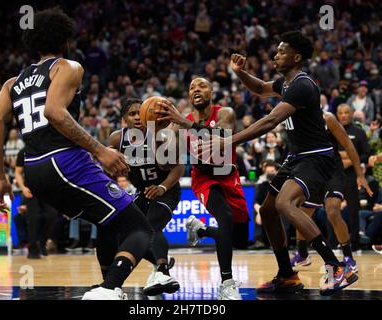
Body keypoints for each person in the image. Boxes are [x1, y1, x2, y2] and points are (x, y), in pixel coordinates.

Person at [0, 8, 152, 300]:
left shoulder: (12, 83)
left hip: (35, 169)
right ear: (64, 39)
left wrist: (0, 178)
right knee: (139, 227)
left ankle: (114, 284)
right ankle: (110, 289)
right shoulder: (67, 67)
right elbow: (54, 112)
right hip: (64, 160)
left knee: (109, 220)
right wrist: (100, 150)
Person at [197, 31, 358, 295]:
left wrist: (228, 141)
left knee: (284, 203)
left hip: (316, 157)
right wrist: (239, 72)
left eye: (281, 51)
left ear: (296, 57)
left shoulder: (302, 85)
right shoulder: (286, 83)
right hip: (296, 157)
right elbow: (260, 88)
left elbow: (271, 121)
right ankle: (287, 275)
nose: (275, 55)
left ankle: (336, 265)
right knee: (269, 211)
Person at [155, 78, 250, 300]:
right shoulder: (181, 124)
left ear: (211, 92)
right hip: (205, 177)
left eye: (202, 86)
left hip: (228, 174)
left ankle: (200, 230)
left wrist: (183, 124)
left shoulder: (225, 113)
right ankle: (227, 284)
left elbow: (220, 141)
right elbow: (165, 162)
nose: (196, 89)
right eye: (191, 87)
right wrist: (160, 136)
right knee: (224, 218)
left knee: (239, 239)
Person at [108, 98, 182, 296]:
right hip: (142, 192)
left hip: (166, 190)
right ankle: (157, 262)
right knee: (125, 233)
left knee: (151, 226)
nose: (137, 117)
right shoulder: (117, 139)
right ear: (124, 120)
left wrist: (162, 187)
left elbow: (178, 167)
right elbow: (108, 169)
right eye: (132, 114)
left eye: (139, 113)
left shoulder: (160, 136)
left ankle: (163, 271)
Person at [291, 110, 373, 273]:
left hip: (333, 171)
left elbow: (349, 145)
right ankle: (302, 253)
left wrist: (360, 175)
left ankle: (349, 257)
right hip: (313, 172)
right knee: (301, 213)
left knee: (333, 210)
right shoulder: (296, 119)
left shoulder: (327, 118)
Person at [336, 104, 371, 250]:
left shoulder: (359, 132)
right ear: (337, 115)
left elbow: (366, 153)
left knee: (353, 211)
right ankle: (333, 243)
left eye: (346, 112)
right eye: (341, 113)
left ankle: (355, 244)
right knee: (332, 210)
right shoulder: (332, 131)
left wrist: (350, 160)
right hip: (335, 175)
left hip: (352, 176)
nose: (344, 115)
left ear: (351, 114)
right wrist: (347, 155)